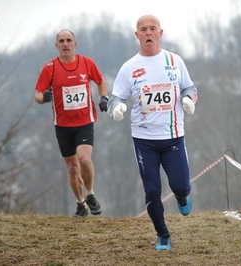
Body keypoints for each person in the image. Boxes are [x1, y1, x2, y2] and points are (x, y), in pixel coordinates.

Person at [107, 15, 197, 250]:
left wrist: (189, 99)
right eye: (143, 29)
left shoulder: (174, 60)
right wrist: (116, 107)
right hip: (144, 139)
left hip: (173, 136)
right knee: (152, 190)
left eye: (152, 29)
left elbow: (190, 86)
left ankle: (182, 196)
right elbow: (115, 96)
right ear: (137, 35)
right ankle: (163, 235)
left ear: (160, 33)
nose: (148, 33)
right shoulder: (129, 67)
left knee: (180, 185)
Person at [34, 29, 108, 217]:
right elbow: (37, 95)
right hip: (62, 125)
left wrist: (103, 98)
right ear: (56, 45)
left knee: (84, 160)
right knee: (73, 168)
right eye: (61, 41)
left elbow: (101, 81)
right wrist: (44, 97)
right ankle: (81, 203)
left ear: (75, 44)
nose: (65, 44)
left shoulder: (86, 63)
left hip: (84, 122)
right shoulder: (49, 68)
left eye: (69, 40)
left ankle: (90, 194)